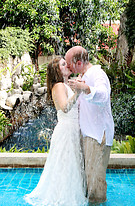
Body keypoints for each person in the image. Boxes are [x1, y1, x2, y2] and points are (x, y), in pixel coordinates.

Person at [24, 56, 88, 206]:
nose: (68, 66)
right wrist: (78, 92)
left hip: (72, 129)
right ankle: (64, 197)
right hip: (66, 131)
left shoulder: (65, 85)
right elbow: (65, 107)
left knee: (70, 164)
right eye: (64, 64)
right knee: (65, 165)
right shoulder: (59, 85)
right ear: (58, 70)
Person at [65, 46, 114, 204]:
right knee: (88, 179)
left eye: (69, 63)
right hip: (87, 133)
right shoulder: (82, 75)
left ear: (78, 62)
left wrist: (85, 88)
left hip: (97, 134)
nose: (68, 67)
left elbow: (104, 95)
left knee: (95, 183)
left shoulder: (97, 74)